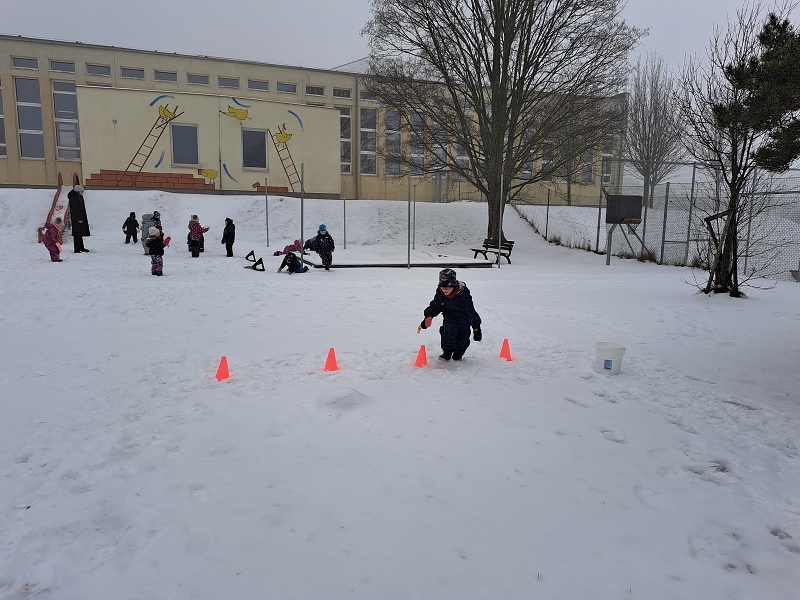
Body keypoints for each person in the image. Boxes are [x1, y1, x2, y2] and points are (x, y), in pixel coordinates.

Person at [419, 268, 482, 361]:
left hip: (463, 318)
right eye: (442, 287)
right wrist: (428, 316)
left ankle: (458, 354)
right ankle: (447, 352)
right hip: (449, 316)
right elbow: (436, 305)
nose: (444, 290)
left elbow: (470, 310)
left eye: (447, 288)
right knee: (447, 333)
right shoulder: (440, 294)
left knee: (462, 337)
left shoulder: (463, 294)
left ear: (453, 285)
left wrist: (476, 328)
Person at [67, 184, 90, 253]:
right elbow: (75, 209)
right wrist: (79, 218)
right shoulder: (74, 198)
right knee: (77, 234)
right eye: (81, 191)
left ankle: (81, 247)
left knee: (80, 233)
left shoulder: (78, 197)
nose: (82, 192)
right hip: (77, 218)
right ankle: (77, 248)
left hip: (80, 217)